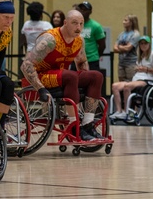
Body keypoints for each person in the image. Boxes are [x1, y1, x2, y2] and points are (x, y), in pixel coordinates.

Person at [20, 9, 105, 141]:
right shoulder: (50, 39)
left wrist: (86, 85)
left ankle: (87, 124)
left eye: (81, 24)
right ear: (65, 23)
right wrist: (40, 88)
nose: (78, 27)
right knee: (70, 76)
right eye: (75, 23)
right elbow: (26, 65)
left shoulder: (79, 40)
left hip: (63, 76)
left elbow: (82, 63)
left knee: (96, 76)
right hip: (40, 76)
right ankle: (73, 125)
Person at [109, 36, 153, 120]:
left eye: (145, 43)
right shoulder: (139, 56)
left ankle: (128, 111)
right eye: (141, 43)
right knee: (115, 86)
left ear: (149, 44)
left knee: (127, 86)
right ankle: (119, 111)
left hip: (147, 80)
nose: (143, 45)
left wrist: (146, 69)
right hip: (136, 78)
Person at [75, 2, 106, 72]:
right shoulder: (75, 25)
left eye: (85, 9)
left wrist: (94, 56)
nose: (82, 11)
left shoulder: (96, 26)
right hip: (77, 60)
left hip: (91, 60)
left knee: (91, 81)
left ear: (90, 12)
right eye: (81, 9)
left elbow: (102, 45)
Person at [112, 15, 141, 82]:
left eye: (126, 20)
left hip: (131, 63)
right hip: (121, 63)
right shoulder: (121, 34)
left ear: (131, 22)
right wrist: (122, 47)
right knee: (121, 82)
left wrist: (119, 46)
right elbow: (114, 48)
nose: (123, 22)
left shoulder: (135, 34)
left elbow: (128, 48)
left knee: (130, 82)